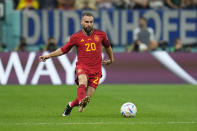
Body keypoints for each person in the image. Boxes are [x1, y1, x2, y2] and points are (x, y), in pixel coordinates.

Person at [39, 12, 114, 116]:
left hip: (96, 70)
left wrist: (111, 59)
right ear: (81, 22)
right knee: (82, 82)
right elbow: (63, 50)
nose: (89, 24)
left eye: (91, 22)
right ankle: (79, 103)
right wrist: (48, 56)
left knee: (85, 99)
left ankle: (70, 105)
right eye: (86, 22)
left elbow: (108, 46)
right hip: (82, 67)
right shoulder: (76, 37)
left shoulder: (101, 34)